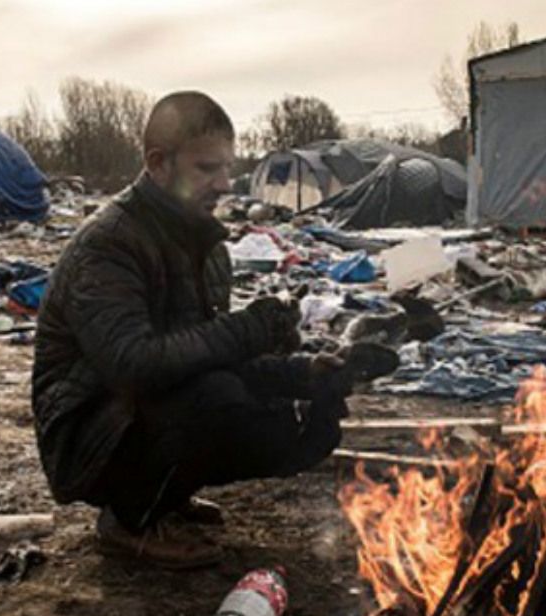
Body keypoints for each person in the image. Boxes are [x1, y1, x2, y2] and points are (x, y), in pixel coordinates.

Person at [31, 91, 392, 569]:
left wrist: (303, 373)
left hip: (135, 413)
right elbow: (132, 365)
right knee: (216, 400)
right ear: (158, 164)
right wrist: (248, 330)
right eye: (206, 169)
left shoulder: (204, 244)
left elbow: (207, 351)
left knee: (265, 407)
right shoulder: (109, 245)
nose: (224, 185)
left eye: (227, 168)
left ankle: (167, 496)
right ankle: (128, 518)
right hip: (86, 435)